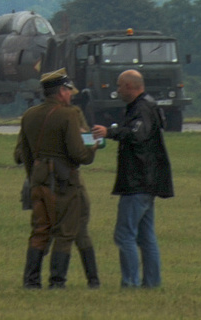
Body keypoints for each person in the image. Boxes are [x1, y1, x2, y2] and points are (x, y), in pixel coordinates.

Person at [15, 68, 98, 289]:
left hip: (38, 182)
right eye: (69, 90)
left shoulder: (29, 115)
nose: (71, 95)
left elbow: (20, 154)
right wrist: (93, 146)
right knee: (65, 232)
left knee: (40, 231)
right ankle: (57, 282)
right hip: (63, 183)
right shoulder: (69, 115)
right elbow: (78, 154)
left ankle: (31, 281)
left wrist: (35, 176)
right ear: (61, 91)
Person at [98, 68, 173, 288]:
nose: (118, 90)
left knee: (125, 235)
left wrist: (109, 133)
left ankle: (130, 282)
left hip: (137, 181)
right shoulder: (149, 105)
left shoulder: (141, 108)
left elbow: (136, 134)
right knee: (146, 236)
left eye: (120, 86)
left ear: (130, 86)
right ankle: (152, 282)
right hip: (149, 181)